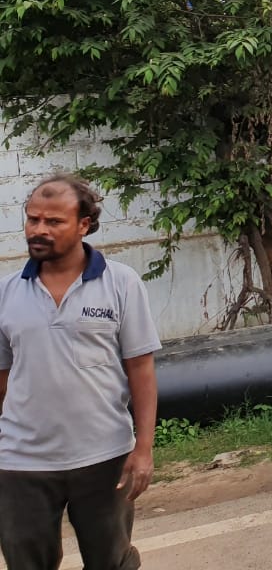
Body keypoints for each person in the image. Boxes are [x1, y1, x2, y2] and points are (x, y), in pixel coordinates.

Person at [0, 173, 161, 570]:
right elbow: (2, 375)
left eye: (53, 222)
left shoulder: (121, 283)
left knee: (111, 561)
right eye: (33, 219)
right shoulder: (5, 293)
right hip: (23, 463)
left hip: (104, 455)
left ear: (84, 224)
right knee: (26, 562)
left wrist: (143, 449)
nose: (39, 230)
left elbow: (140, 369)